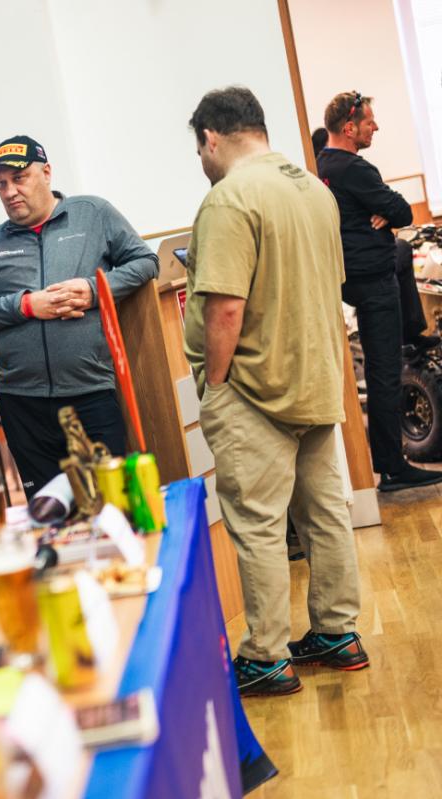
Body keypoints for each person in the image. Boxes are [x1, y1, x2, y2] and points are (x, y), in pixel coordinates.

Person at [184, 87, 366, 697]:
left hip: (254, 389)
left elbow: (225, 307)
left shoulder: (229, 197)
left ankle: (265, 656)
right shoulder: (314, 189)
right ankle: (337, 633)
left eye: (200, 150)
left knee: (258, 524)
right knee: (324, 513)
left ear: (211, 137)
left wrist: (215, 386)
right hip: (315, 375)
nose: (202, 161)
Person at [0, 136, 158, 495]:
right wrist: (26, 305)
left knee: (110, 504)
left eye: (19, 178)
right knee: (48, 510)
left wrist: (94, 289)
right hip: (23, 405)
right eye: (1, 184)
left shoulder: (92, 214)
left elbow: (146, 262)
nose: (9, 192)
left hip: (91, 393)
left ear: (47, 173)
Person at [317, 91, 442, 492]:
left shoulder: (322, 163)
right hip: (373, 280)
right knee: (385, 374)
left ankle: (411, 332)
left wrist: (383, 214)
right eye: (369, 122)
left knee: (402, 251)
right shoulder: (356, 169)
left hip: (353, 276)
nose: (376, 127)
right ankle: (392, 468)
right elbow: (403, 211)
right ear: (349, 128)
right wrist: (388, 213)